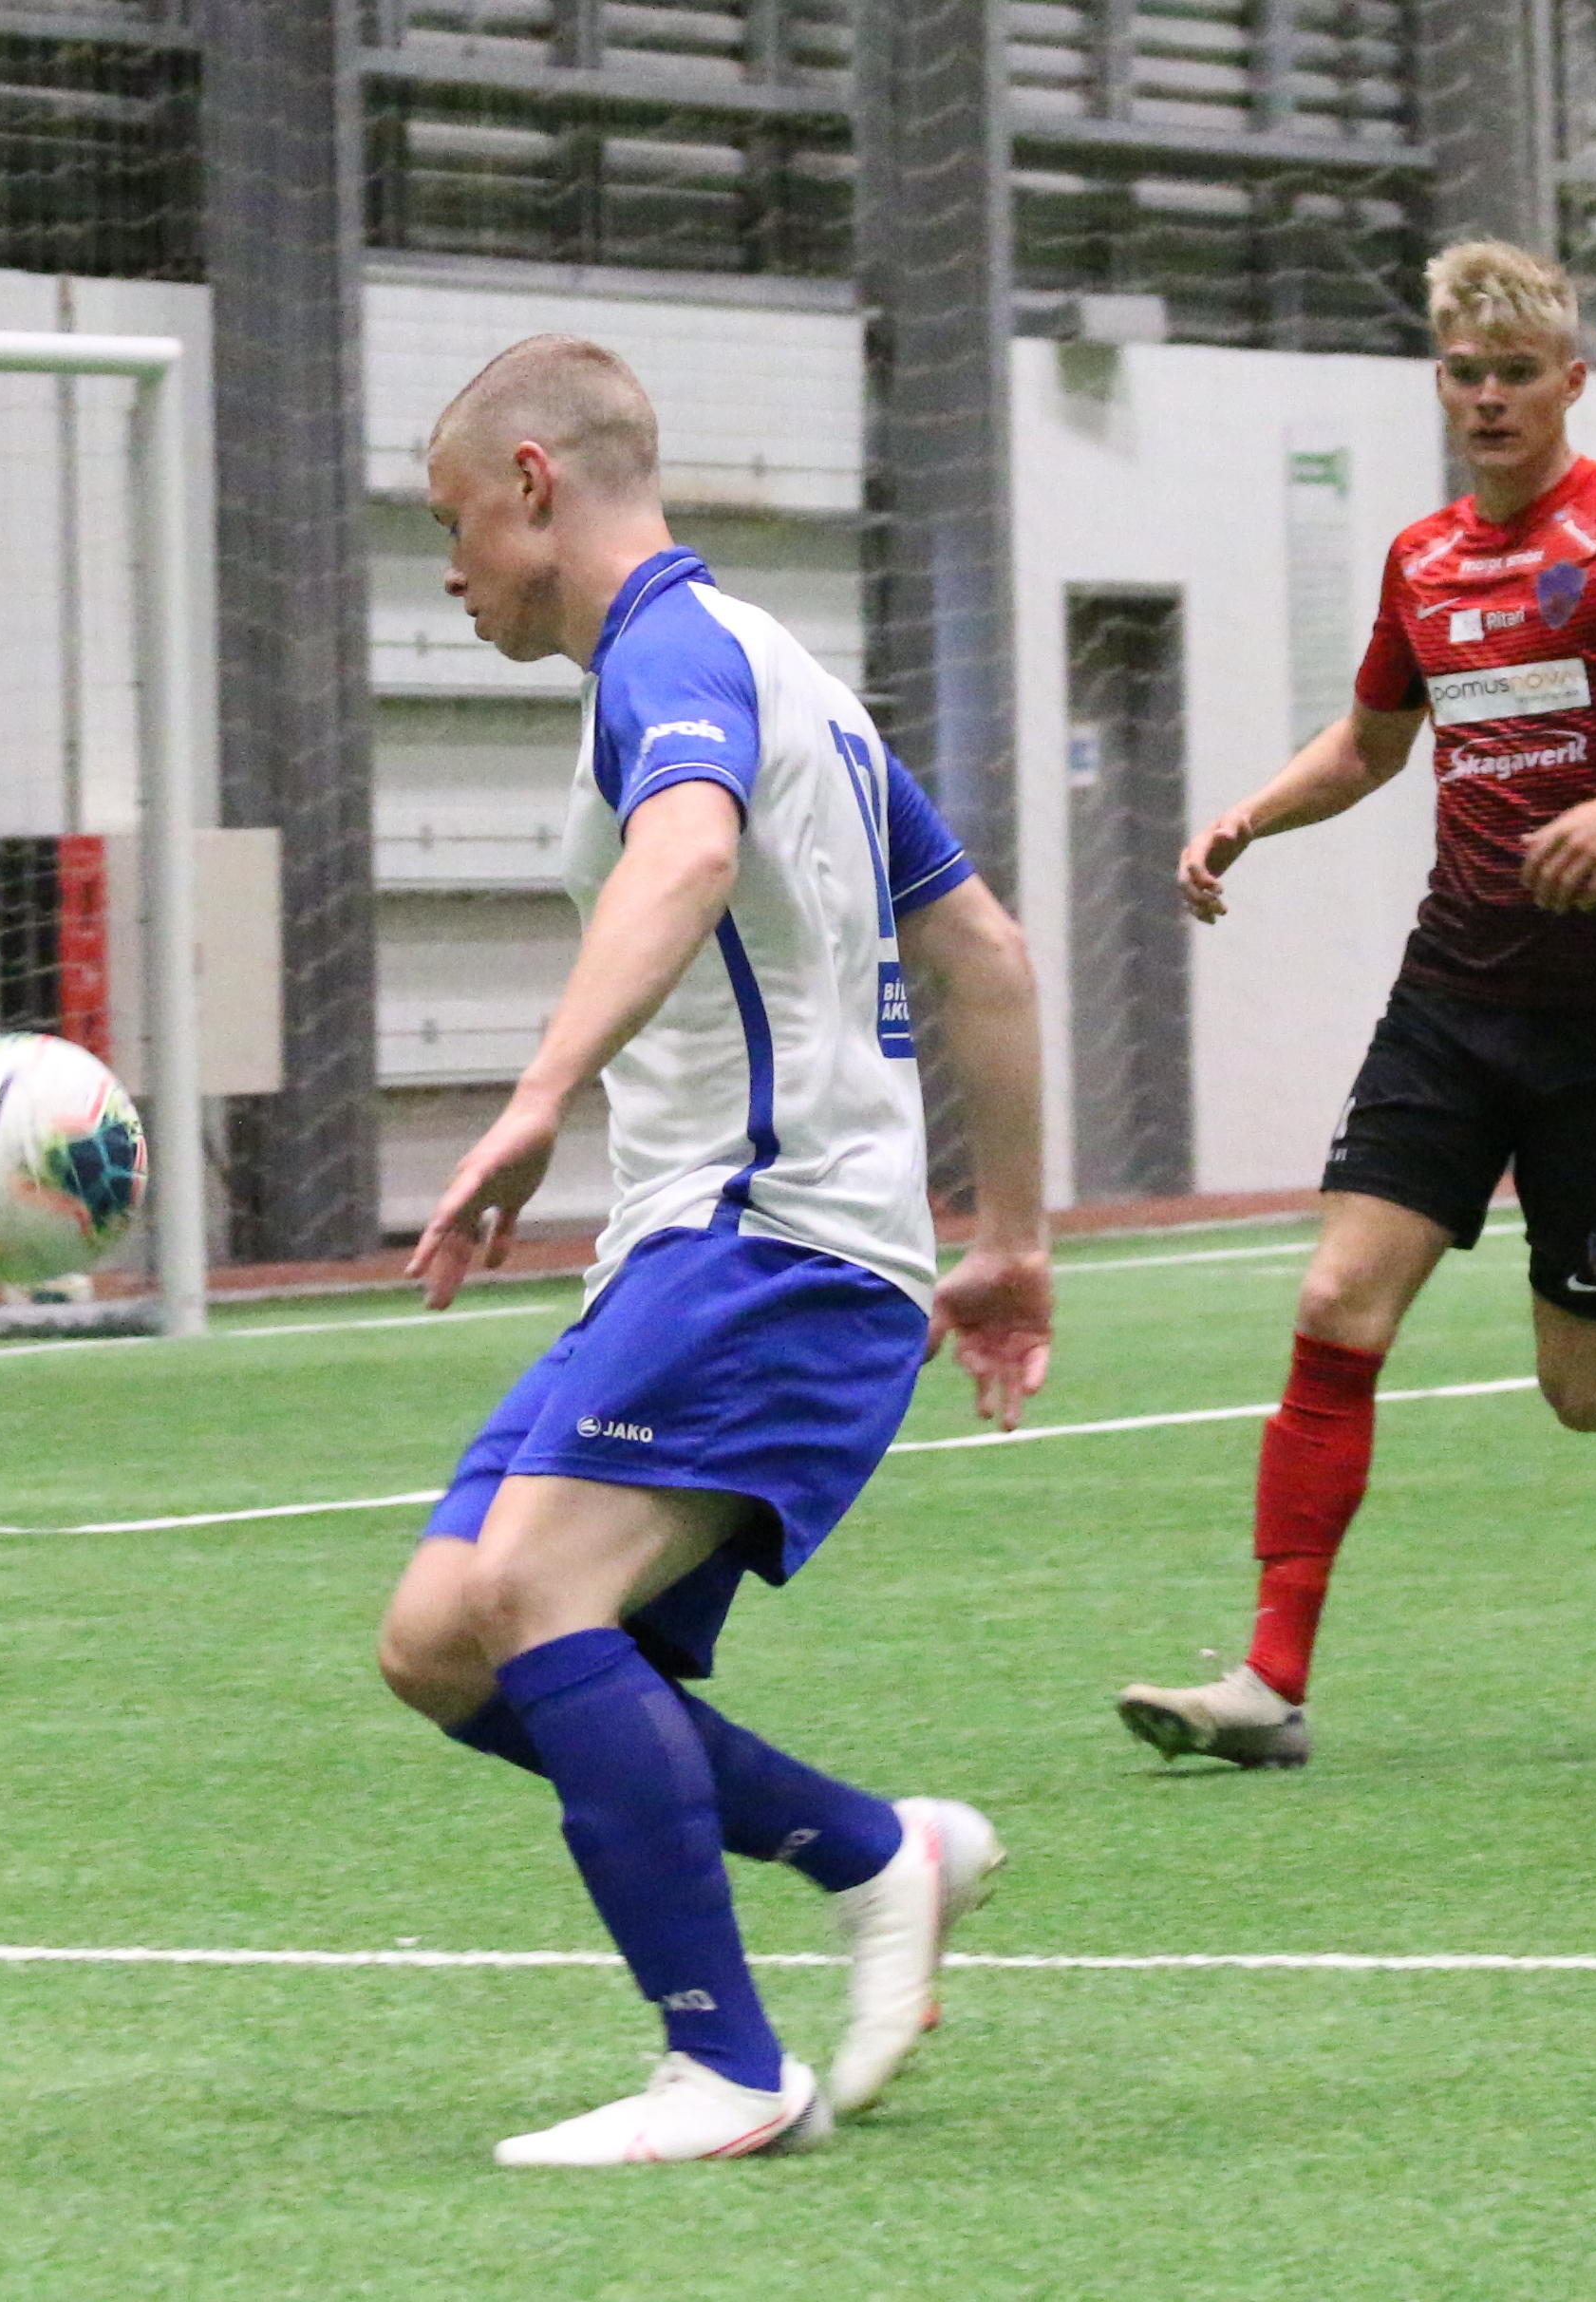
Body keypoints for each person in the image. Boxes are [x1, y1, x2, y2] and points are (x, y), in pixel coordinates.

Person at [375, 335, 1056, 2167]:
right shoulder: (787, 669)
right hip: (721, 1243)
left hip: (768, 1238)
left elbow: (681, 860)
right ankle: (875, 1847)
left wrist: (535, 1093)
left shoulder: (663, 657)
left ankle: (726, 2065)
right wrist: (1006, 1237)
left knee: (534, 1592)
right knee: (442, 1636)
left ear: (534, 483)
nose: (450, 571)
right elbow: (982, 949)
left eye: (451, 522)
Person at [1115, 241, 1596, 1770]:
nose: (1486, 398)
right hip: (1447, 1000)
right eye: (1463, 374)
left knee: (1585, 1392)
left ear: (1567, 383)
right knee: (1335, 1305)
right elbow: (1368, 744)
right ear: (1439, 382)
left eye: (1514, 374)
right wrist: (1247, 817)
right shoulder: (1418, 560)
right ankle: (1267, 1684)